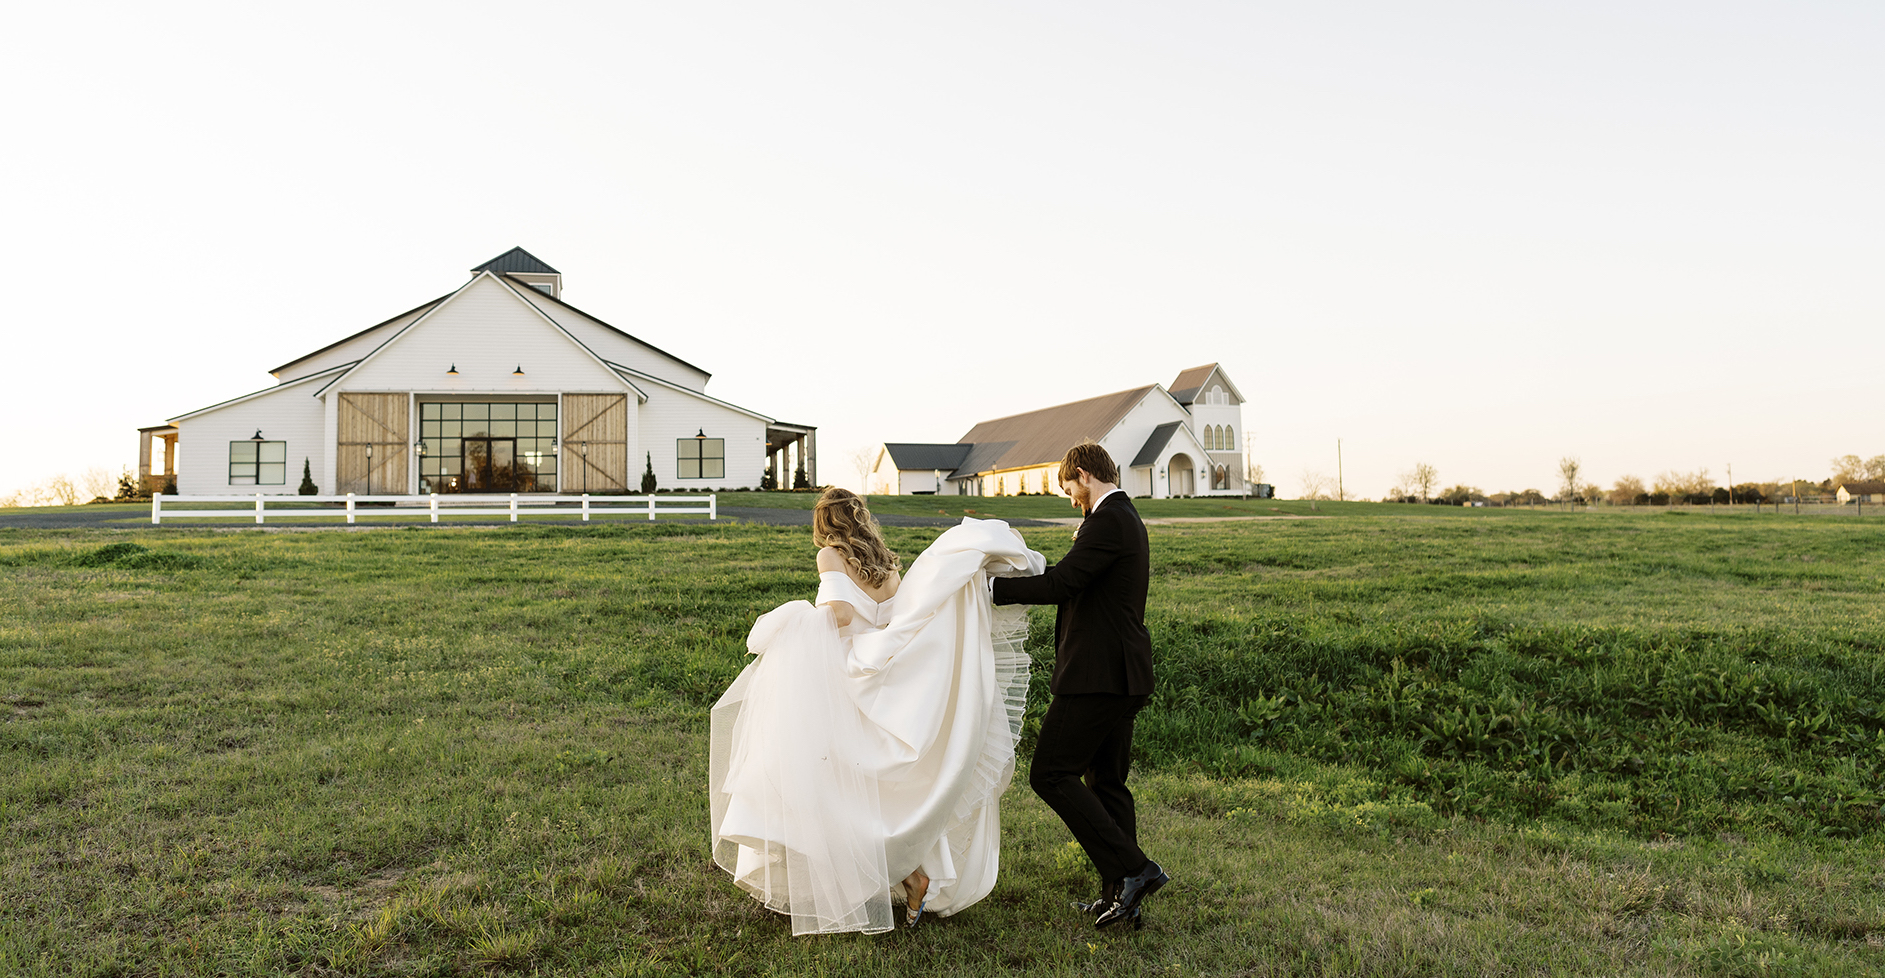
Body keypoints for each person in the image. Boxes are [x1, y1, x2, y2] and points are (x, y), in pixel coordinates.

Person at [708, 488, 1043, 935]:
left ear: (824, 524)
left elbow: (842, 615)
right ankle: (910, 874)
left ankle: (888, 877)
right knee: (879, 790)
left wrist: (799, 622)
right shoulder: (885, 562)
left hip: (849, 672)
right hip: (885, 672)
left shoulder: (831, 555)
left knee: (824, 779)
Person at [992, 440, 1168, 930]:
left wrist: (990, 589)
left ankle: (1135, 870)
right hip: (1122, 672)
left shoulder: (1108, 519)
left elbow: (1061, 583)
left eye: (1069, 487)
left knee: (1049, 774)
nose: (1069, 498)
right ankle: (1121, 895)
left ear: (1084, 475)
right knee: (1107, 783)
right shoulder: (1122, 517)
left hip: (1098, 675)